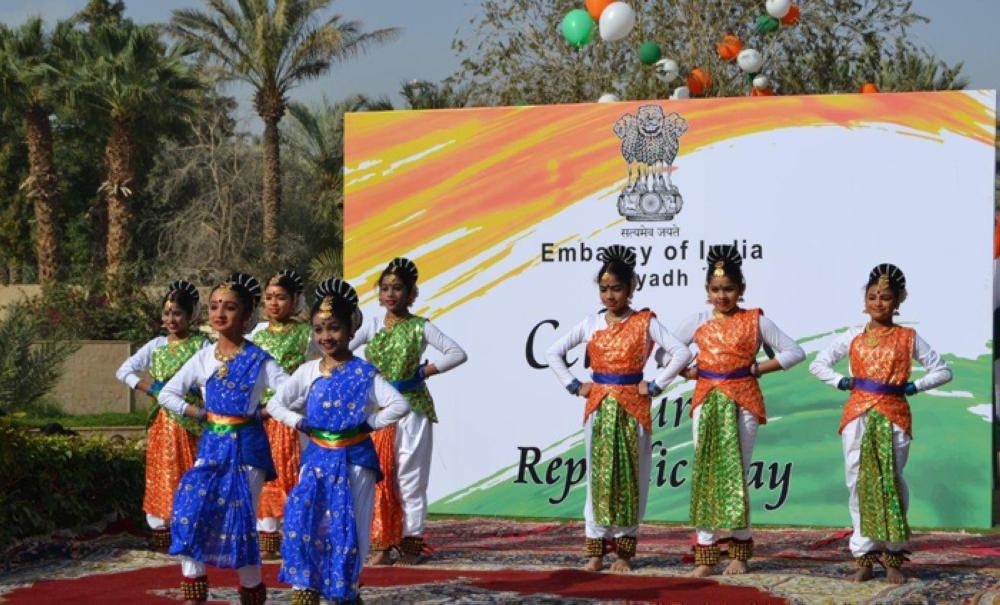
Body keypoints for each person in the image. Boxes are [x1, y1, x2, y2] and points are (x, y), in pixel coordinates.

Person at [546, 244, 691, 572]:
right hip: (598, 407)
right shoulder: (591, 323)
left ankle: (624, 552)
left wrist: (655, 385)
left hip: (633, 406)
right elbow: (553, 352)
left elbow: (681, 353)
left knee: (631, 477)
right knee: (598, 477)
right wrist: (574, 384)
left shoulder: (645, 322)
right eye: (604, 289)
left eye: (617, 289)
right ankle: (595, 550)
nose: (610, 296)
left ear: (631, 288)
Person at [267, 278, 410, 604]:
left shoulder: (364, 372)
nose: (325, 337)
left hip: (356, 461)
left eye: (333, 328)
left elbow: (399, 405)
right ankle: (307, 584)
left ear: (350, 328)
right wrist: (299, 422)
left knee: (351, 528)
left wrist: (368, 424)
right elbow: (276, 404)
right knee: (305, 518)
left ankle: (346, 587)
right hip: (317, 458)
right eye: (319, 330)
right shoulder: (307, 371)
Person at [809, 263, 951, 584]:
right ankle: (864, 556)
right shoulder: (853, 336)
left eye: (885, 297)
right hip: (857, 413)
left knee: (890, 483)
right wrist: (843, 382)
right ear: (865, 301)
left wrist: (914, 387)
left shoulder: (908, 337)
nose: (878, 303)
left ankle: (893, 557)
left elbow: (942, 370)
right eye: (872, 297)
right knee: (858, 483)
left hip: (893, 414)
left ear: (898, 301)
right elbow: (818, 364)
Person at [671, 244, 805, 578]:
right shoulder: (698, 321)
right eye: (716, 290)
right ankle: (705, 555)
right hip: (706, 400)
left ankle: (740, 551)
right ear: (706, 291)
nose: (722, 296)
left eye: (729, 289)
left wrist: (760, 369)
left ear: (741, 290)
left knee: (736, 475)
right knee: (705, 473)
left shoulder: (755, 319)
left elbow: (794, 352)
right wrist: (686, 371)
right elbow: (666, 352)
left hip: (743, 399)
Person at [158, 272, 288, 605]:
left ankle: (251, 591)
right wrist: (198, 413)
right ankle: (194, 590)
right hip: (212, 445)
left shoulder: (260, 360)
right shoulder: (203, 357)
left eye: (230, 307)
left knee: (239, 520)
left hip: (247, 450)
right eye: (215, 306)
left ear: (246, 317)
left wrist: (264, 411)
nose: (220, 313)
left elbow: (292, 393)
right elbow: (168, 393)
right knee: (191, 508)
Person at [349, 257, 467, 565]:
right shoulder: (371, 326)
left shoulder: (419, 327)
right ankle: (384, 543)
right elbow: (340, 349)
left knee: (410, 478)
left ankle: (411, 542)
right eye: (385, 288)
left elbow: (457, 353)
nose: (390, 294)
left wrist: (426, 371)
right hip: (378, 412)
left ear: (411, 293)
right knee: (378, 477)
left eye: (397, 288)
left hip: (412, 410)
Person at [115, 280, 208, 550]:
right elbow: (123, 371)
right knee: (161, 472)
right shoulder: (155, 345)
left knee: (191, 471)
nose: (171, 319)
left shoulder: (201, 345)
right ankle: (161, 531)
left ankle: (192, 530)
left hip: (192, 420)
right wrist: (153, 389)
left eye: (178, 313)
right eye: (167, 313)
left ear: (191, 316)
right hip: (162, 421)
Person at [247, 269, 315, 558]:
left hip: (292, 416)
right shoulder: (256, 334)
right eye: (270, 297)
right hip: (260, 417)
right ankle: (267, 535)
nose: (274, 303)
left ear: (295, 300)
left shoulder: (307, 334)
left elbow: (313, 374)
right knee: (264, 475)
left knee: (295, 474)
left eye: (281, 298)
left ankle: (298, 534)